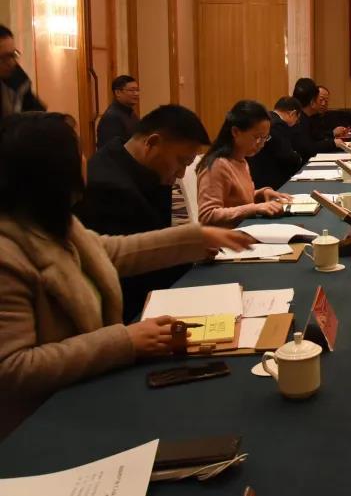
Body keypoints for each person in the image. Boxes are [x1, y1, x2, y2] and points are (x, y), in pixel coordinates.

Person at [0, 112, 252, 437]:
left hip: (85, 392)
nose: (86, 159)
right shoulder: (8, 254)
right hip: (41, 425)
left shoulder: (52, 221)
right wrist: (125, 340)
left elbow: (111, 252)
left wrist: (197, 238)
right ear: (51, 169)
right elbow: (12, 369)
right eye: (77, 152)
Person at [76, 105, 211, 322]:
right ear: (152, 143)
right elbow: (138, 271)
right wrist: (190, 249)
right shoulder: (108, 187)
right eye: (181, 161)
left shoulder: (141, 169)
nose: (181, 173)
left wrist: (193, 245)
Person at [197, 100, 291, 227]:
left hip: (243, 229)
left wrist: (261, 194)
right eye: (257, 137)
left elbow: (238, 199)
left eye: (265, 138)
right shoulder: (217, 165)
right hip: (225, 236)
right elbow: (207, 215)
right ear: (235, 132)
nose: (261, 144)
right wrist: (254, 208)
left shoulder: (241, 160)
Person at [248, 96, 304, 190]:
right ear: (292, 113)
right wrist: (298, 158)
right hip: (270, 179)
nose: (296, 123)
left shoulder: (266, 119)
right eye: (297, 119)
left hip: (256, 173)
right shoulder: (278, 125)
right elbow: (286, 155)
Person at [290, 78, 344, 159]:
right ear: (312, 102)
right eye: (320, 100)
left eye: (326, 101)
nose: (323, 103)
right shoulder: (299, 120)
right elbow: (308, 149)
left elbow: (317, 138)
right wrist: (333, 143)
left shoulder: (307, 117)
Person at [0, 24, 45, 119]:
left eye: (13, 55)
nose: (12, 62)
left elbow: (38, 114)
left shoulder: (19, 80)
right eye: (4, 57)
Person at [96, 75, 140, 149]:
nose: (136, 93)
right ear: (118, 92)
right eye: (132, 90)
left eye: (137, 90)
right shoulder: (111, 117)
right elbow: (111, 149)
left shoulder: (131, 113)